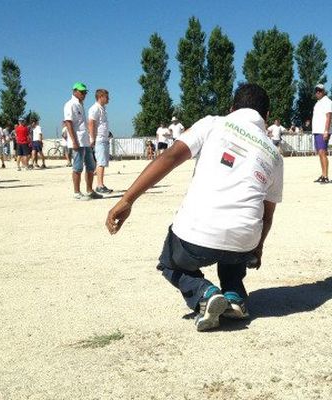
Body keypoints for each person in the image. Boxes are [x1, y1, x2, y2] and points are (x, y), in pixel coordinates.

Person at [106, 83, 283, 331]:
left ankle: (204, 294)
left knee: (168, 262)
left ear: (231, 109)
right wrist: (257, 248)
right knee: (238, 236)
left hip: (197, 236)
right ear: (266, 117)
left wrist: (127, 200)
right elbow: (267, 215)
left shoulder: (213, 123)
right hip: (244, 242)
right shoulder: (275, 155)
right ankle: (234, 296)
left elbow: (169, 157)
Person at [64, 82, 102, 200]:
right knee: (77, 167)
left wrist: (90, 138)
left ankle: (90, 191)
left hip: (85, 141)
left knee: (91, 166)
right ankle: (77, 192)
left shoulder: (80, 105)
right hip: (78, 141)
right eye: (81, 92)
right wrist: (74, 141)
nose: (84, 94)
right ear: (74, 91)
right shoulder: (70, 104)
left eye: (85, 92)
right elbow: (68, 123)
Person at [89, 88, 112, 194]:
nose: (108, 99)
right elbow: (91, 123)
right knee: (101, 162)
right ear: (100, 97)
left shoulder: (103, 109)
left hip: (104, 138)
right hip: (99, 139)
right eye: (106, 97)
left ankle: (101, 184)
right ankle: (99, 185)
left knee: (103, 162)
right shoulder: (95, 108)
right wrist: (92, 138)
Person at [311, 83, 332, 183]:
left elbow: (329, 116)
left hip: (322, 131)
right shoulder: (317, 103)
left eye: (319, 91)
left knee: (322, 153)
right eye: (316, 91)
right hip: (316, 131)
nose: (318, 92)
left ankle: (326, 176)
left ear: (323, 91)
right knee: (320, 153)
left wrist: (326, 131)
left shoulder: (327, 101)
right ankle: (323, 174)